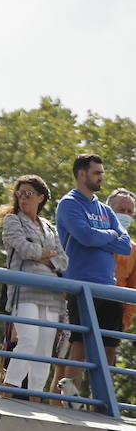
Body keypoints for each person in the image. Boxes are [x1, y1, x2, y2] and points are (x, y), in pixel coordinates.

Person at [51, 154, 132, 401]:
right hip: (82, 285)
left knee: (109, 349)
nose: (101, 177)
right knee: (80, 346)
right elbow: (84, 237)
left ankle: (104, 404)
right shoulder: (69, 204)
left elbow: (126, 245)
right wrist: (110, 235)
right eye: (97, 172)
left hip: (110, 288)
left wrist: (100, 237)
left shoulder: (105, 209)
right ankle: (71, 402)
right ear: (82, 174)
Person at [0, 176, 67, 398]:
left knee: (45, 349)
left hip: (51, 294)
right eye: (19, 193)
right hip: (24, 291)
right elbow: (23, 249)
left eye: (28, 193)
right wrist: (47, 255)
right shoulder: (12, 221)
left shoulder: (49, 227)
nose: (22, 197)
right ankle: (9, 390)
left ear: (40, 197)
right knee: (28, 339)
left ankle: (37, 396)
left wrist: (42, 256)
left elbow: (64, 260)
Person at [109, 189, 136, 333]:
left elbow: (133, 287)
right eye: (121, 210)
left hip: (116, 309)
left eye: (129, 211)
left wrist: (125, 320)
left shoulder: (134, 250)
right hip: (87, 300)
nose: (125, 214)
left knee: (108, 352)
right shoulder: (92, 237)